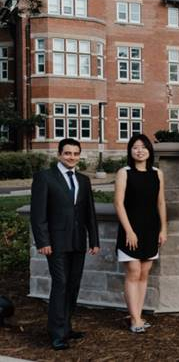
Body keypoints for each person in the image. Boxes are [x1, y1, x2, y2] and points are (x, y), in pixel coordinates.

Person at [30, 138, 99, 350]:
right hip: (56, 243)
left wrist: (94, 240)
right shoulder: (45, 177)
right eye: (68, 153)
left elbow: (90, 213)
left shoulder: (83, 180)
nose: (72, 157)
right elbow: (38, 213)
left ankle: (66, 327)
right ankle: (57, 334)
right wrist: (43, 241)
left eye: (76, 153)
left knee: (73, 285)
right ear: (59, 154)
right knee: (60, 285)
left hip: (78, 241)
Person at [114, 134, 168, 333]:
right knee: (134, 271)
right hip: (131, 229)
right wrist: (129, 231)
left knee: (144, 273)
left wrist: (163, 228)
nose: (139, 150)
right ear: (130, 151)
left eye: (143, 147)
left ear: (149, 150)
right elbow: (118, 203)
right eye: (135, 147)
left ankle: (138, 314)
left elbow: (161, 202)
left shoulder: (157, 173)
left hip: (151, 228)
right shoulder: (124, 172)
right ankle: (135, 318)